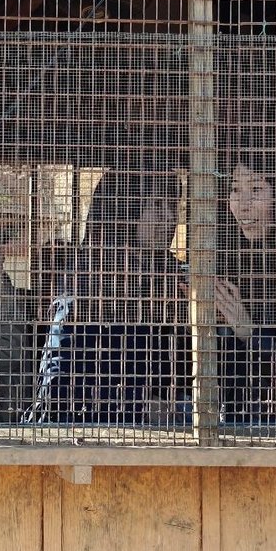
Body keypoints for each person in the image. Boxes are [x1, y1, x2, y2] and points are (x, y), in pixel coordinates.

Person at [24, 169, 191, 424]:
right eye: (156, 205)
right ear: (126, 209)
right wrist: (141, 406)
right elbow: (58, 386)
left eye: (173, 206)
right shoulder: (87, 278)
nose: (168, 218)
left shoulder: (173, 279)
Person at [217, 154, 276, 424]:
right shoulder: (225, 260)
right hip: (229, 419)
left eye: (256, 190)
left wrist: (249, 332)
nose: (243, 205)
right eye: (235, 190)